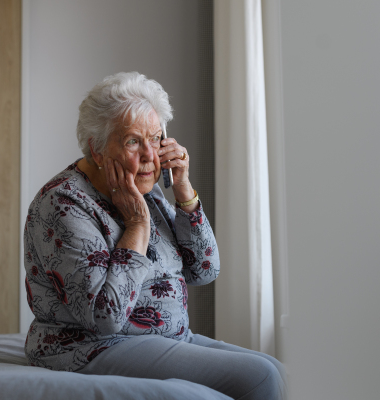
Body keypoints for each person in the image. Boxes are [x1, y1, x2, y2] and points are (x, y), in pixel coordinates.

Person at [24, 72, 287, 399]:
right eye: (134, 141)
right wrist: (137, 225)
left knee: (276, 370)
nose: (151, 156)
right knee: (260, 377)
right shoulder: (64, 205)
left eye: (157, 138)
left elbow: (203, 270)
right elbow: (105, 317)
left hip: (167, 336)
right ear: (97, 150)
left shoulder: (143, 188)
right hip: (94, 345)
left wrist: (183, 190)